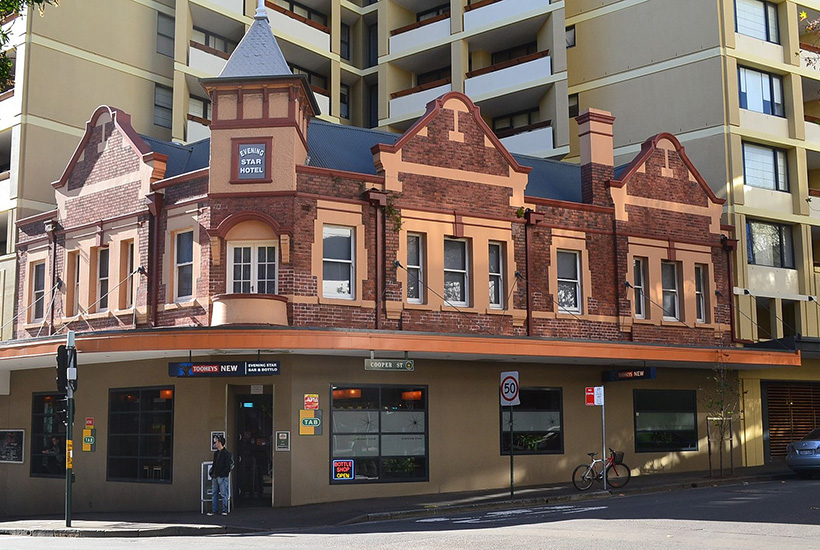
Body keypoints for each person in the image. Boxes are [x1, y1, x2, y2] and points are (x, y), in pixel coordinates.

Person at [207, 435, 232, 516]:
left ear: (220, 443)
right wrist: (212, 473)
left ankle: (224, 510)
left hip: (222, 476)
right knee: (215, 494)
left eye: (217, 442)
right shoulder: (216, 453)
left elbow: (227, 466)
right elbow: (214, 464)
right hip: (215, 476)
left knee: (224, 493)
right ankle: (215, 510)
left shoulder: (227, 454)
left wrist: (223, 474)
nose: (215, 443)